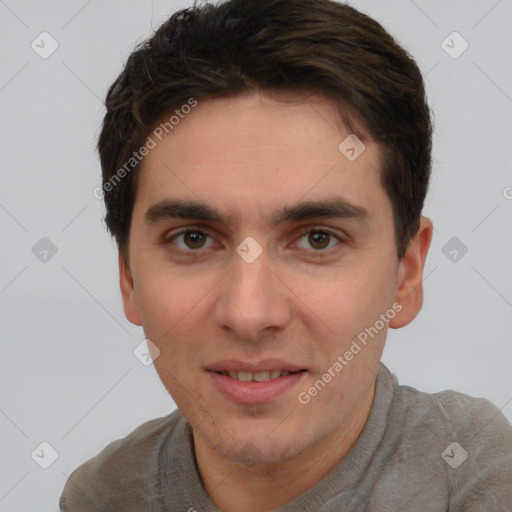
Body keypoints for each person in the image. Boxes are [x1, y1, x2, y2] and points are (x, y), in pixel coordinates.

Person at [59, 0, 512, 510]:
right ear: (129, 278)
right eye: (193, 239)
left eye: (319, 239)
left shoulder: (478, 476)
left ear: (405, 274)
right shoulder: (102, 497)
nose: (250, 314)